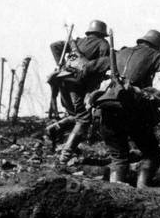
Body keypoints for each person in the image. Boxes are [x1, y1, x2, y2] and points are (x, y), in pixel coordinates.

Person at [94, 29, 160, 188]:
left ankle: (116, 191)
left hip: (107, 107)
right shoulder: (154, 55)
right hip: (133, 110)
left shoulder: (118, 53)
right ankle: (143, 191)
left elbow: (89, 67)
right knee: (151, 154)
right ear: (158, 46)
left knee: (118, 157)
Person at [46, 19, 111, 162]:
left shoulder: (77, 42)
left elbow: (55, 46)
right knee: (84, 118)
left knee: (76, 114)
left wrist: (62, 65)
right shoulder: (103, 44)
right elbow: (103, 63)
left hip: (62, 80)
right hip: (78, 84)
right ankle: (65, 155)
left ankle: (55, 128)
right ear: (102, 33)